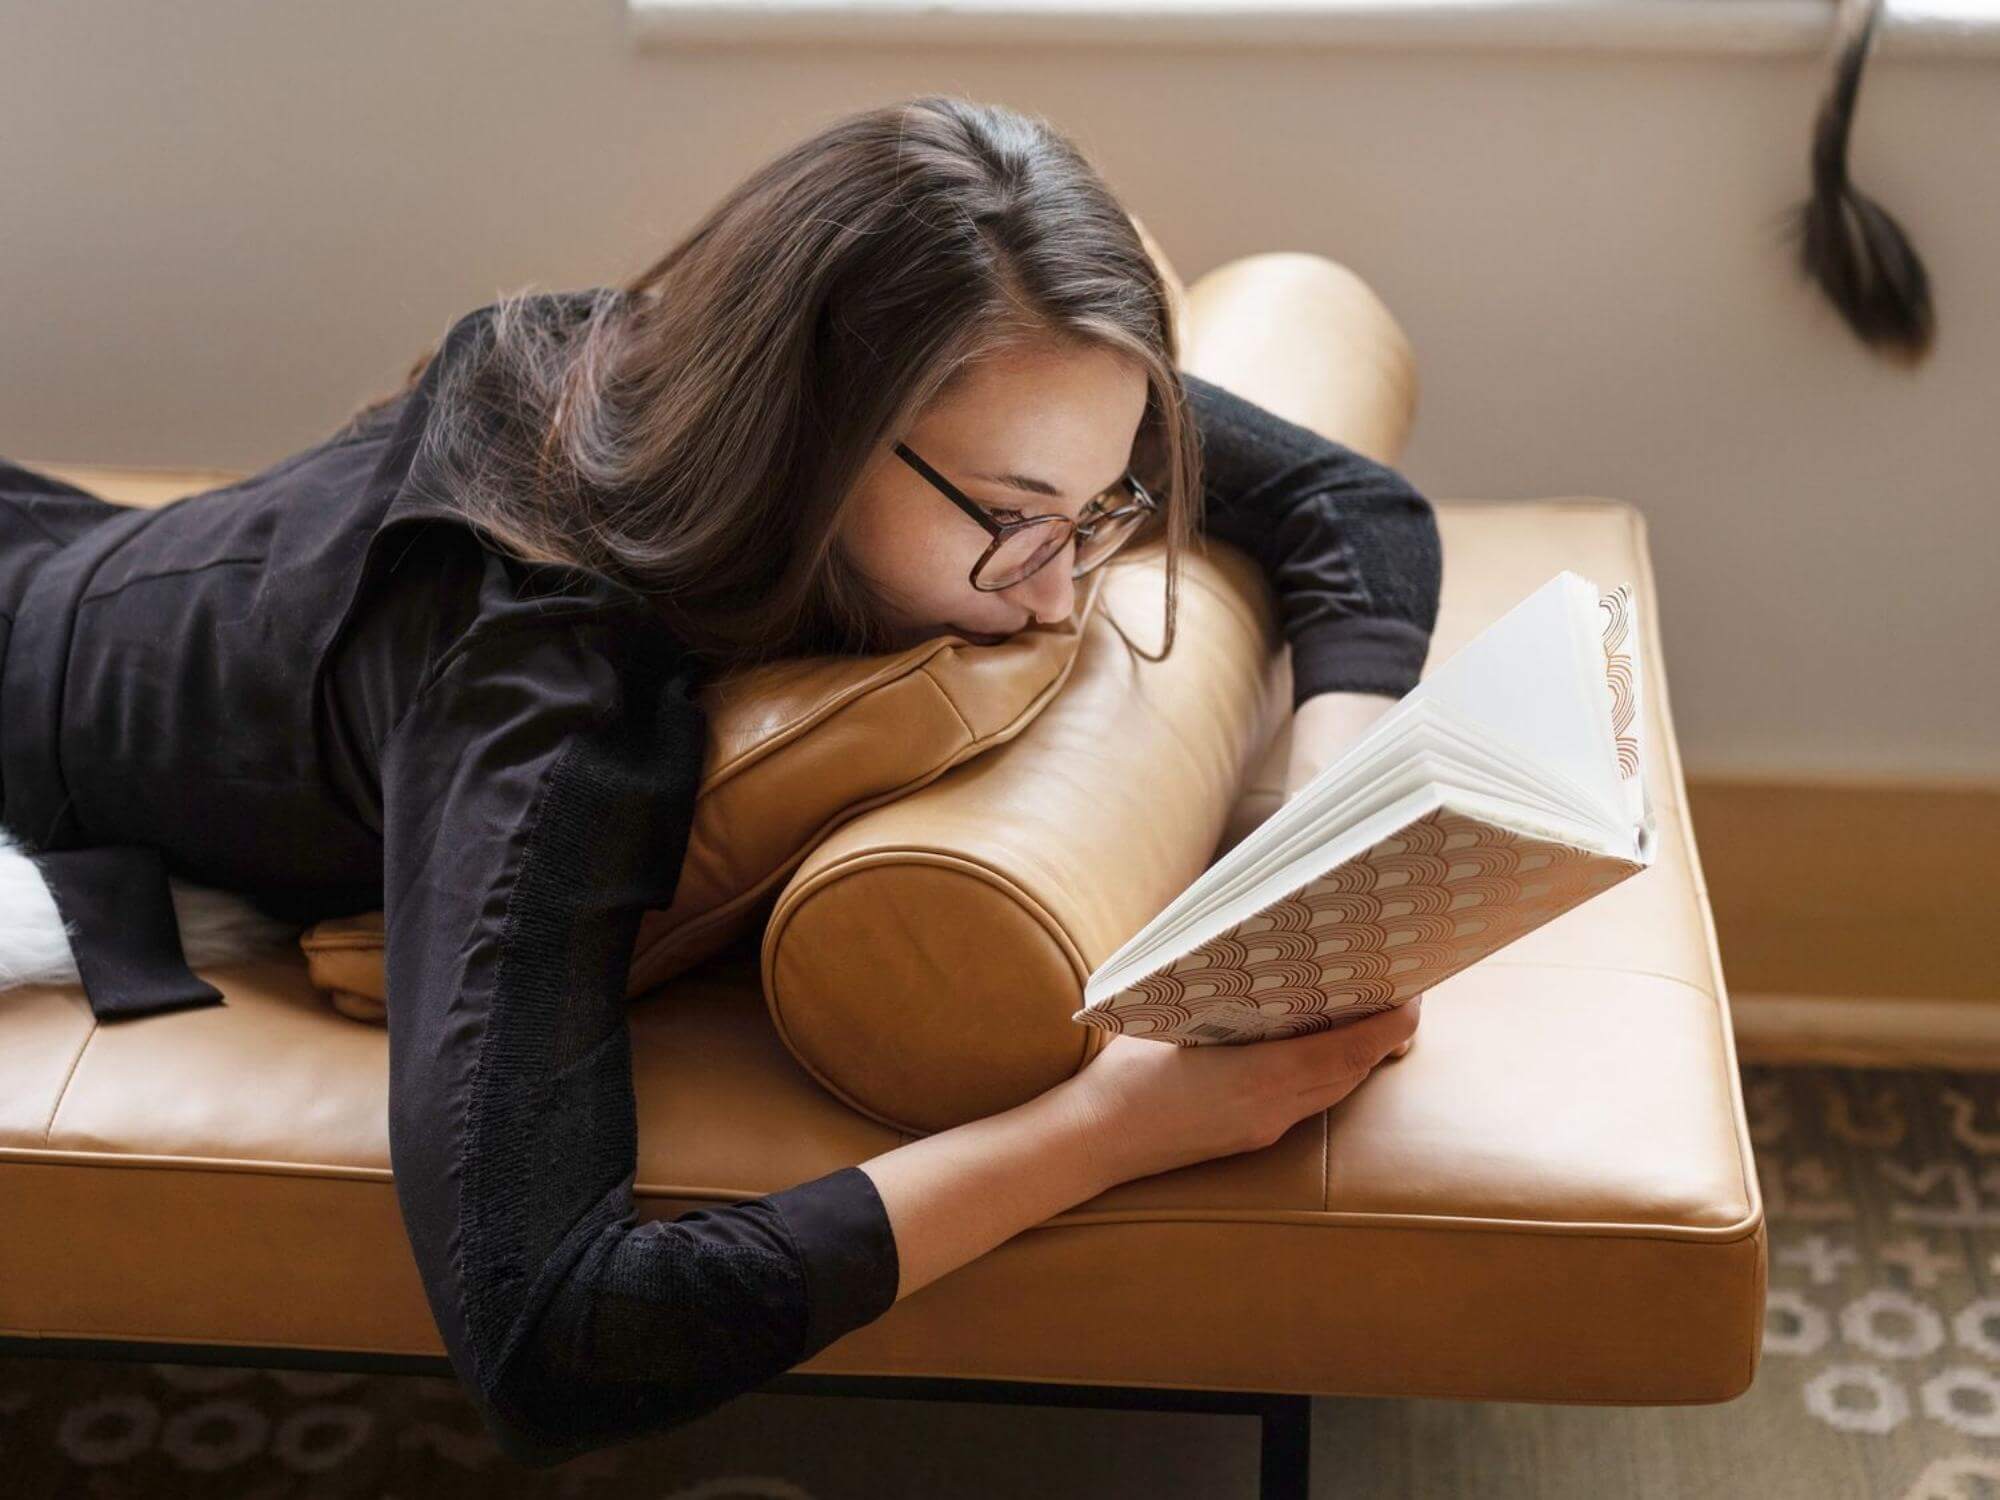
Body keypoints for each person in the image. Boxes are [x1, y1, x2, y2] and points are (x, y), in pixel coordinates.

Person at [0, 93, 1437, 1465]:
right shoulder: (548, 696)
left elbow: (1345, 500)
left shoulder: (942, 384)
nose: (1064, 599)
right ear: (809, 434)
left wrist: (1322, 814)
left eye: (1101, 511)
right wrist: (1110, 1131)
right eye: (1011, 525)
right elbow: (553, 1340)